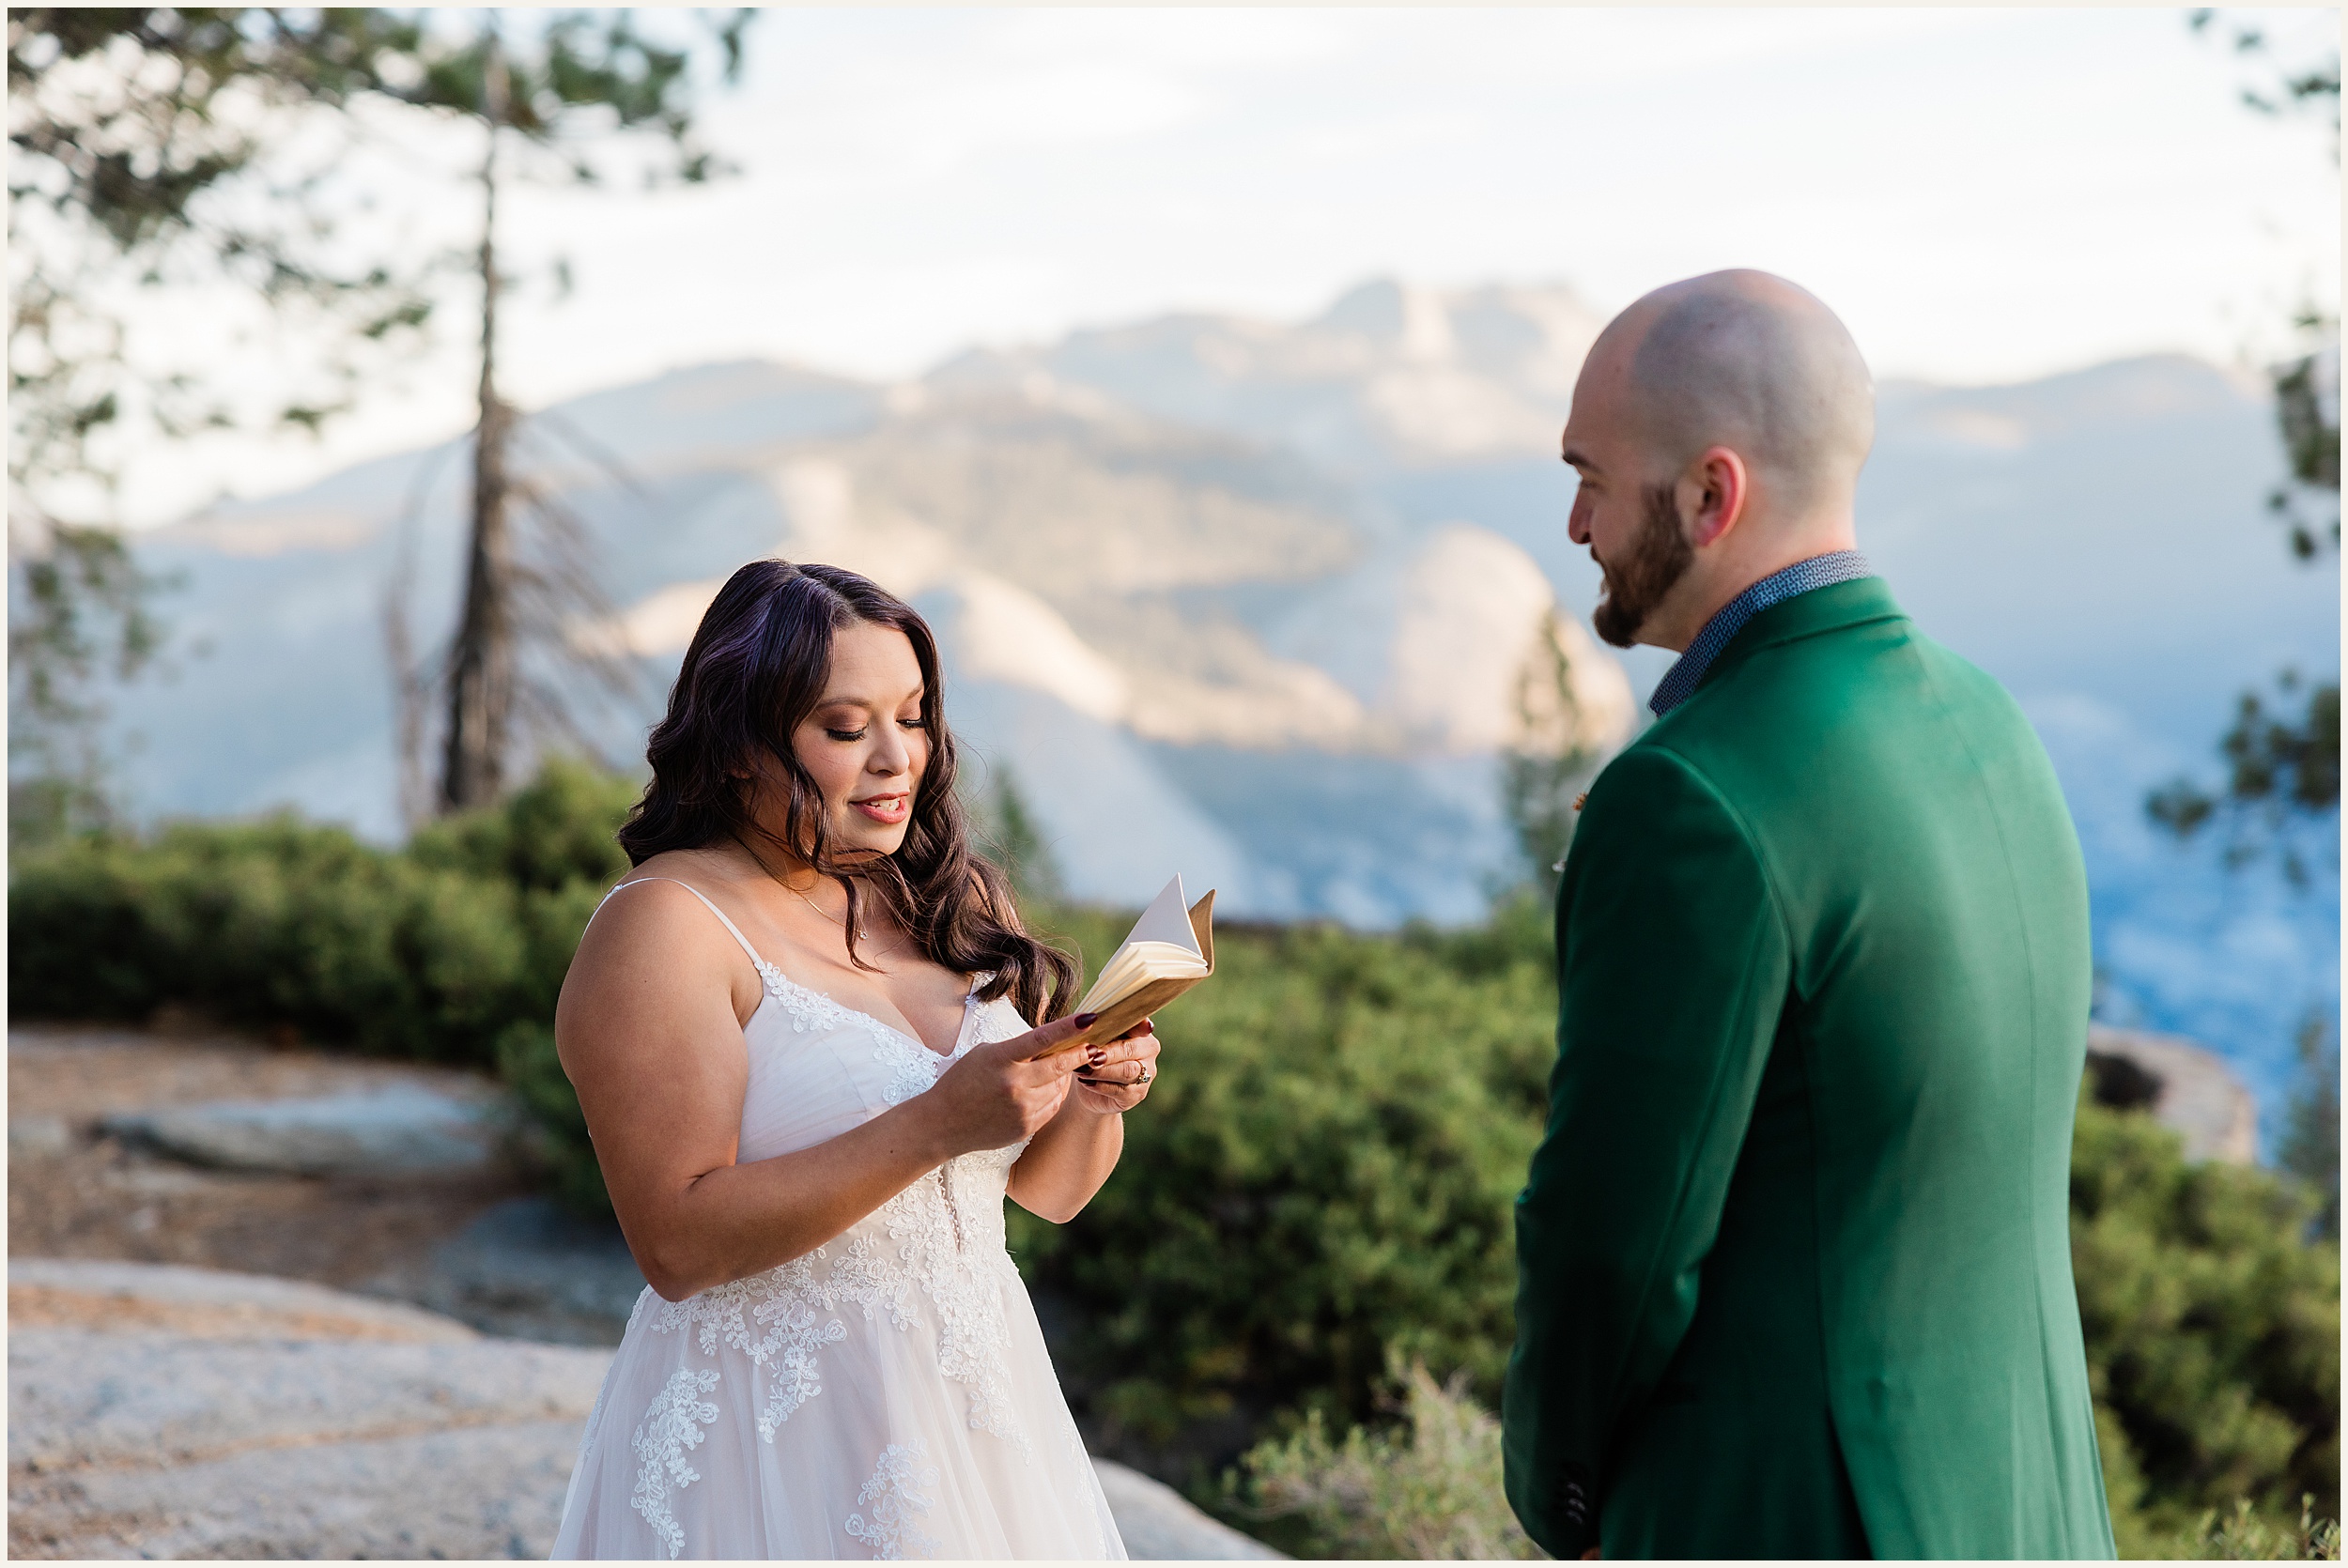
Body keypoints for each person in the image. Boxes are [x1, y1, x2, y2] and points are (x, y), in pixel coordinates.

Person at [1501, 271, 2116, 1560]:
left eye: (1593, 476)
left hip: (1786, 1507)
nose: (1574, 521)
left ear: (1711, 495)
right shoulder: (1991, 722)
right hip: (2025, 1503)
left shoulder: (1689, 799)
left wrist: (1560, 1487)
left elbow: (1618, 1239)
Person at [550, 560, 1156, 1560]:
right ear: (743, 743)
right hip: (774, 1439)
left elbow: (1047, 1194)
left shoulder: (949, 902)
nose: (896, 758)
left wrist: (1095, 1092)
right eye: (845, 727)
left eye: (912, 716)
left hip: (978, 1413)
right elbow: (676, 1245)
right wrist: (933, 1123)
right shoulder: (666, 927)